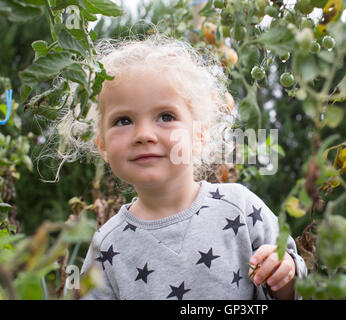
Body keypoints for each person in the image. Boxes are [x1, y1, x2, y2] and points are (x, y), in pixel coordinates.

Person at [73, 32, 307, 300]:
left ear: (199, 134)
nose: (144, 134)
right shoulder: (107, 246)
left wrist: (284, 274)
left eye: (165, 116)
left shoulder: (240, 208)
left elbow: (296, 290)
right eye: (123, 121)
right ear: (102, 143)